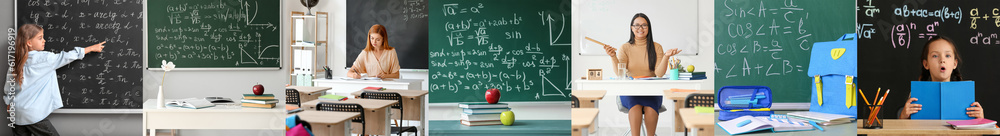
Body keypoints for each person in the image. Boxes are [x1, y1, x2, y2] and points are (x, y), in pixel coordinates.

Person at [6, 24, 105, 136]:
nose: (44, 40)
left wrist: (9, 103)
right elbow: (66, 56)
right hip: (32, 113)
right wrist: (91, 48)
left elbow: (9, 87)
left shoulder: (16, 63)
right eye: (40, 38)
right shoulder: (46, 59)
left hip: (16, 112)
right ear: (29, 43)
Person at [603, 13, 680, 136]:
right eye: (637, 25)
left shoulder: (656, 47)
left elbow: (659, 74)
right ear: (631, 28)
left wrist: (666, 57)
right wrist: (613, 56)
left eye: (644, 25)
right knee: (635, 107)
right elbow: (619, 73)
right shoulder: (625, 47)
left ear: (649, 28)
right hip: (630, 90)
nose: (640, 28)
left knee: (650, 109)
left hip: (651, 91)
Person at [899, 36, 985, 119]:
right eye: (935, 56)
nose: (942, 60)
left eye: (947, 56)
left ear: (955, 64)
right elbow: (903, 131)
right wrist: (903, 116)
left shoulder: (965, 95)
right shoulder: (915, 95)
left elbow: (975, 130)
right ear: (926, 64)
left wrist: (980, 118)